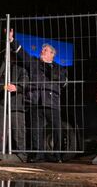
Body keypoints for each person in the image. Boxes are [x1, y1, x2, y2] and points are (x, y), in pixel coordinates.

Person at [9, 29, 68, 162]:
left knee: (57, 130)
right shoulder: (34, 63)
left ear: (52, 54)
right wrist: (12, 41)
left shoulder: (59, 68)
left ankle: (58, 155)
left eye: (45, 50)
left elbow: (64, 83)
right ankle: (38, 155)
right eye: (42, 50)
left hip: (52, 103)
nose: (42, 51)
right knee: (36, 130)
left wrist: (53, 73)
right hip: (35, 102)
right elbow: (21, 54)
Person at [0, 50, 29, 161]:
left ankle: (21, 155)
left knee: (18, 131)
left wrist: (17, 87)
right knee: (1, 131)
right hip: (0, 104)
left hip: (16, 105)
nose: (6, 56)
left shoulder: (20, 69)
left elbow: (25, 82)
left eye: (9, 54)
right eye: (5, 54)